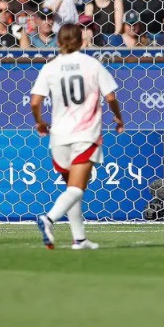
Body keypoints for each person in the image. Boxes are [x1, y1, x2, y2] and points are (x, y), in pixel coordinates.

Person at [31, 24, 124, 250]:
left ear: (58, 42)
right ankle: (48, 219)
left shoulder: (50, 68)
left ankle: (79, 239)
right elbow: (110, 96)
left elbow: (35, 101)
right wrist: (118, 117)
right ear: (82, 41)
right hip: (84, 134)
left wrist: (40, 122)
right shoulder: (92, 65)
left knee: (71, 189)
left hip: (59, 137)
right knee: (77, 188)